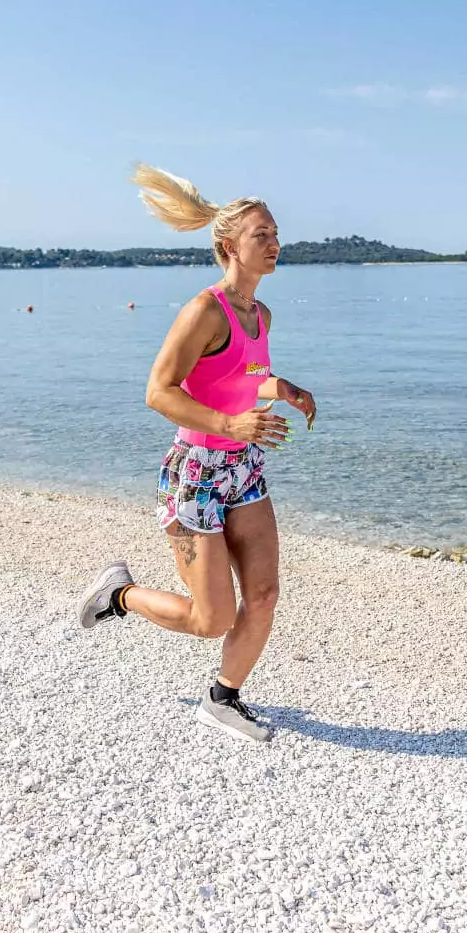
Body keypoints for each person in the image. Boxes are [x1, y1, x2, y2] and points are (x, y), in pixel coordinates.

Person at [77, 166, 317, 743]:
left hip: (243, 471)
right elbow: (159, 391)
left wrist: (280, 388)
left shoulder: (261, 316)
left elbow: (240, 377)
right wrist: (230, 422)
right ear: (230, 245)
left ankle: (223, 699)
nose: (275, 244)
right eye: (263, 234)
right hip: (195, 476)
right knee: (213, 619)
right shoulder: (204, 310)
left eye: (277, 233)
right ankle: (120, 595)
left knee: (264, 593)